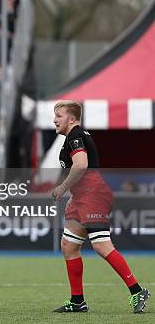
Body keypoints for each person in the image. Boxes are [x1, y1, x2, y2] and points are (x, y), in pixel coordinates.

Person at [51, 100, 150, 314]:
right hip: (83, 197)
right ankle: (77, 302)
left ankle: (137, 290)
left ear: (72, 119)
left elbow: (81, 165)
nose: (54, 119)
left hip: (93, 195)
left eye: (59, 115)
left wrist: (63, 188)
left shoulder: (76, 136)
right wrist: (74, 194)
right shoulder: (74, 137)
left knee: (101, 246)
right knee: (69, 245)